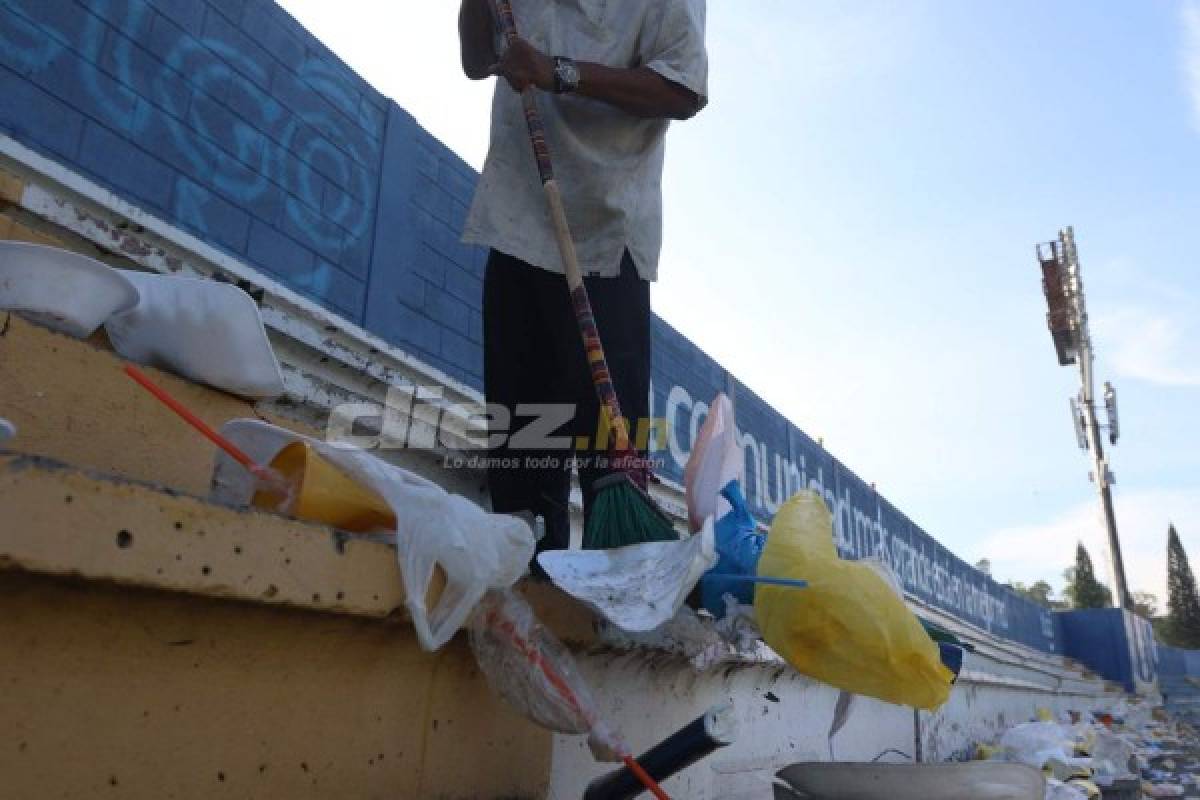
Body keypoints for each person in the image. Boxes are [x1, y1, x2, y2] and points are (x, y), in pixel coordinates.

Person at [458, 0, 708, 556]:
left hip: (606, 236)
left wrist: (558, 72)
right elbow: (479, 61)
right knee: (522, 439)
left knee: (610, 454)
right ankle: (528, 573)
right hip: (520, 221)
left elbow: (683, 89)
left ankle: (619, 588)